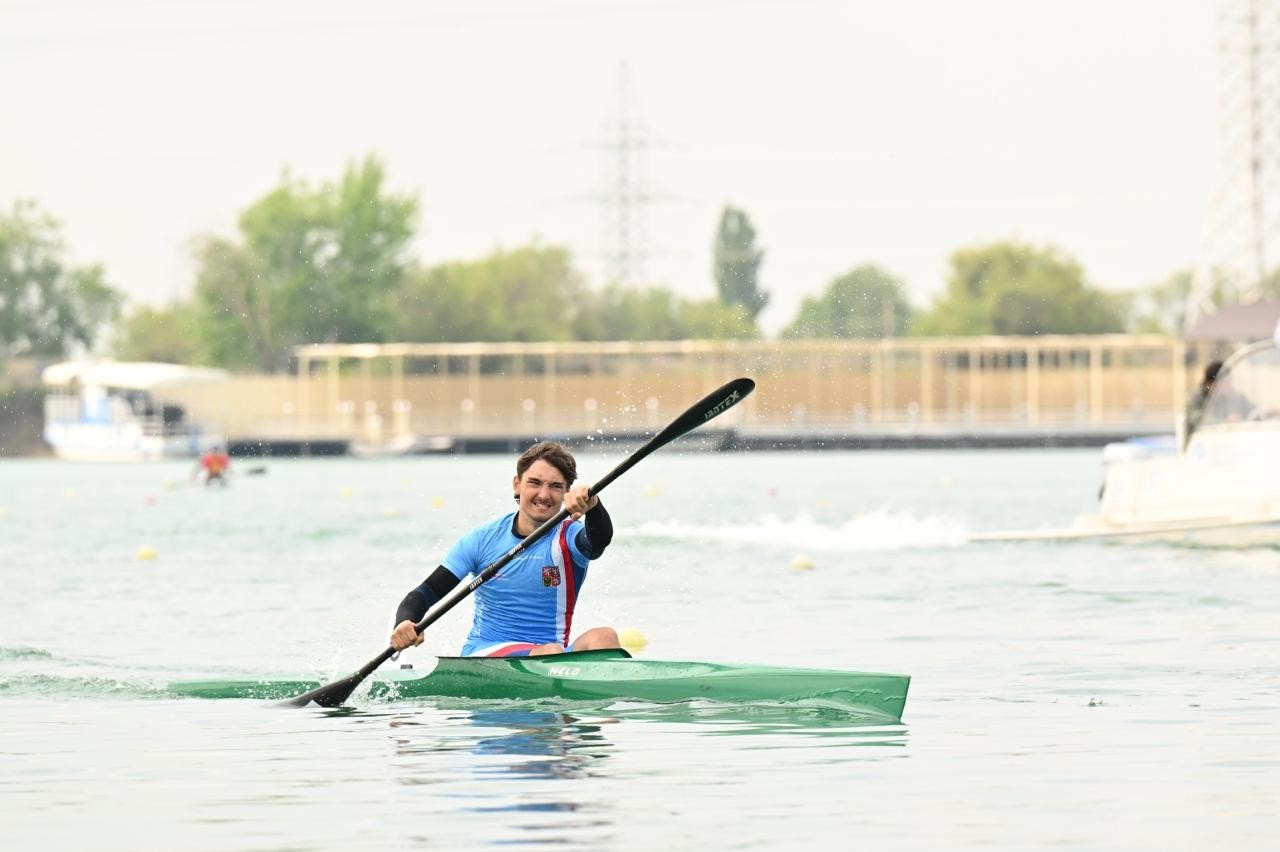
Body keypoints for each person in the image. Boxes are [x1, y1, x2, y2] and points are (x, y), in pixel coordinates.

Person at [389, 441, 620, 658]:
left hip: (551, 655)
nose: (544, 495)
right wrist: (405, 622)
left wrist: (594, 507)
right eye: (535, 482)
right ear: (517, 484)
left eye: (556, 486)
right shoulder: (481, 540)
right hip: (485, 653)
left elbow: (599, 540)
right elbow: (425, 593)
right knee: (549, 652)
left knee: (604, 637)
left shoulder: (569, 537)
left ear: (567, 493)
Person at [1186, 360, 1253, 431]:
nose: (1230, 385)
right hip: (1204, 439)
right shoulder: (1196, 399)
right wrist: (1223, 420)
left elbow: (1251, 410)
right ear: (1212, 384)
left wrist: (1262, 412)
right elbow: (1196, 419)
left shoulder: (1234, 396)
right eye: (1226, 382)